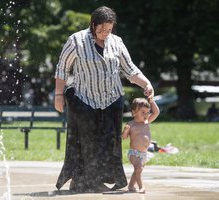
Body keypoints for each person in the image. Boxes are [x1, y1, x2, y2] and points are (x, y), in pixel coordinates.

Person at [54, 6, 155, 193]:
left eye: (108, 30)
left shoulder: (116, 42)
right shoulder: (76, 41)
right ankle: (83, 181)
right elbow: (62, 69)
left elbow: (130, 69)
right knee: (87, 141)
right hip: (84, 98)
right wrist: (59, 95)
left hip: (111, 99)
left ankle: (101, 179)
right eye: (101, 30)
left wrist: (146, 84)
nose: (105, 34)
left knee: (110, 141)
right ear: (93, 25)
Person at [122, 97, 159, 193]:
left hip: (144, 153)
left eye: (147, 112)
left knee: (137, 171)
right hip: (134, 153)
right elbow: (124, 137)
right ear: (134, 112)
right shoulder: (131, 124)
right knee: (138, 169)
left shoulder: (146, 122)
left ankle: (130, 186)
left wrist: (152, 101)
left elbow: (156, 113)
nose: (146, 115)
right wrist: (125, 131)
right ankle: (141, 187)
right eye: (143, 112)